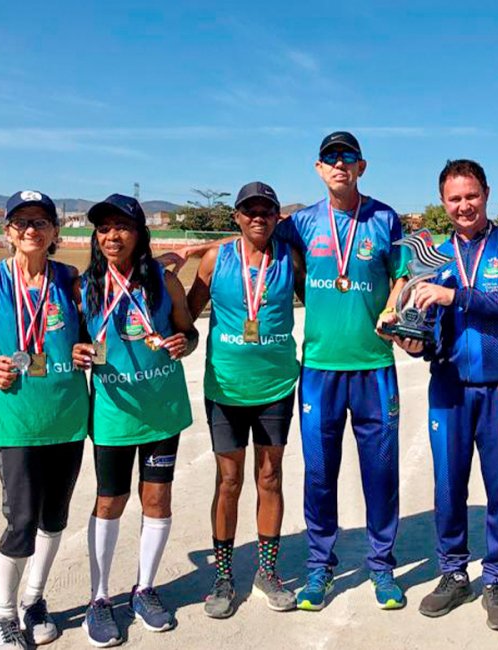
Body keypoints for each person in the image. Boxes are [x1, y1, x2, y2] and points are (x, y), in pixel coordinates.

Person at [390, 160, 498, 631]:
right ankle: (454, 573)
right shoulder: (432, 256)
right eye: (454, 199)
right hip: (450, 386)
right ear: (443, 203)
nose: (463, 205)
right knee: (449, 486)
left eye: (471, 195)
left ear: (487, 193)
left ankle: (497, 580)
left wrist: (456, 296)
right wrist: (414, 342)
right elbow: (427, 328)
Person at [0, 190, 89, 650]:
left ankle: (34, 600)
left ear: (55, 232)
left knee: (55, 516)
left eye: (41, 222)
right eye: (21, 222)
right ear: (7, 231)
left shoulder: (69, 278)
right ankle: (3, 615)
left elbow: (90, 332)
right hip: (16, 422)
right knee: (22, 520)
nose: (31, 230)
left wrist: (84, 348)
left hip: (67, 418)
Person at [283, 131, 409, 611]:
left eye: (348, 158)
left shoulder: (383, 217)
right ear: (318, 168)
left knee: (380, 471)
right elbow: (261, 246)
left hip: (374, 366)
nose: (340, 165)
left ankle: (381, 567)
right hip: (319, 368)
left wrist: (394, 304)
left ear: (362, 166)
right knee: (318, 472)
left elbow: (402, 272)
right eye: (330, 158)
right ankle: (320, 567)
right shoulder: (301, 223)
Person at [72, 194, 198, 647]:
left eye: (122, 227)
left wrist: (184, 341)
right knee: (110, 502)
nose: (112, 236)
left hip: (162, 412)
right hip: (113, 413)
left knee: (157, 501)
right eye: (103, 228)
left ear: (140, 234)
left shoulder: (164, 282)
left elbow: (188, 331)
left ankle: (144, 589)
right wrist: (78, 351)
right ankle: (99, 597)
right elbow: (77, 342)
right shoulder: (85, 287)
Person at [186, 182, 304, 618]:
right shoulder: (217, 259)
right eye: (249, 210)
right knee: (229, 482)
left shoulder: (290, 260)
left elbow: (319, 304)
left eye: (266, 211)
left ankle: (267, 573)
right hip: (226, 389)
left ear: (277, 217)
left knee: (270, 477)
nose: (258, 217)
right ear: (236, 216)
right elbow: (189, 315)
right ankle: (223, 576)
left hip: (276, 388)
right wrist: (180, 339)